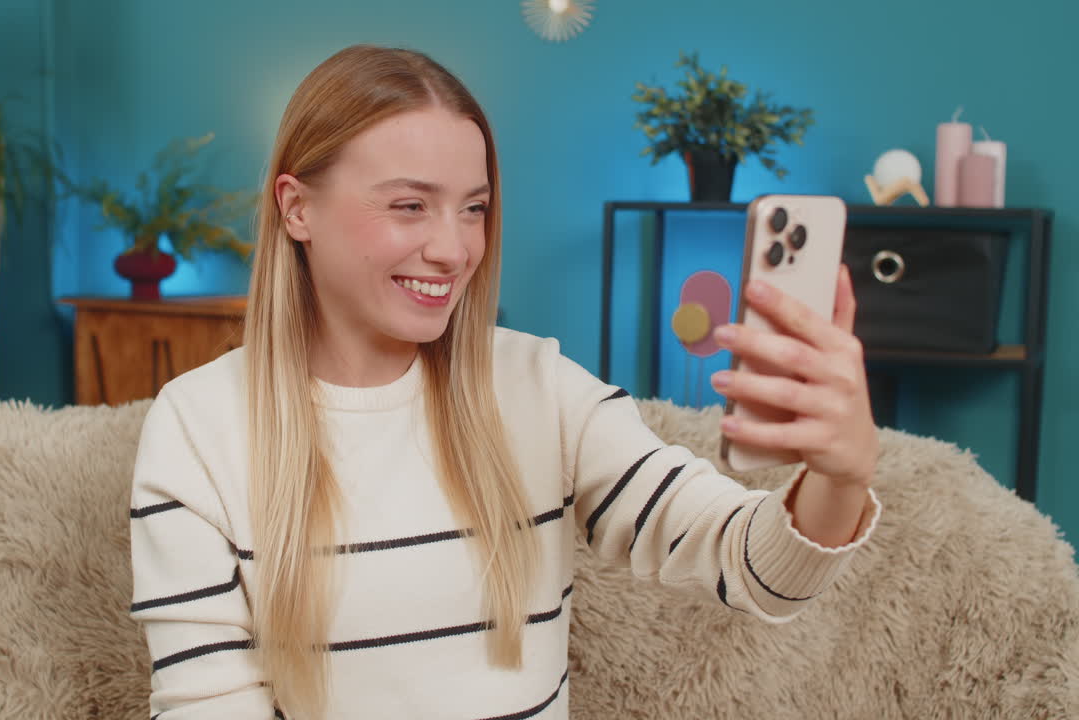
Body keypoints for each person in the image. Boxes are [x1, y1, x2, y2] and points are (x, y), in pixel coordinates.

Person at [128, 44, 881, 720]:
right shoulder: (199, 427)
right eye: (409, 205)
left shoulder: (538, 387)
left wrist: (840, 476)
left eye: (475, 209)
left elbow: (760, 571)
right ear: (297, 208)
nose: (454, 250)